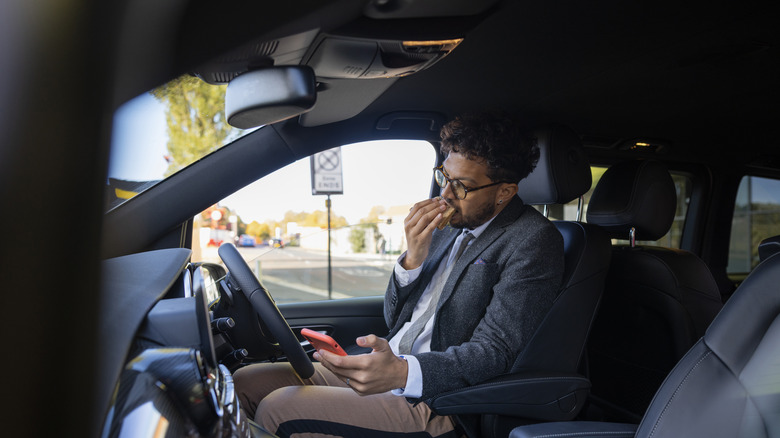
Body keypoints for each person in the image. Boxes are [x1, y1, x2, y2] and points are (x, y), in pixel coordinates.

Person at [233, 111, 565, 438]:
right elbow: (394, 319)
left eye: (462, 186)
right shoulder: (448, 228)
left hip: (437, 399)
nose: (445, 195)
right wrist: (413, 259)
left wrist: (403, 373)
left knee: (279, 408)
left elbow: (495, 350)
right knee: (244, 384)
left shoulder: (533, 240)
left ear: (505, 192)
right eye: (444, 177)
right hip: (391, 367)